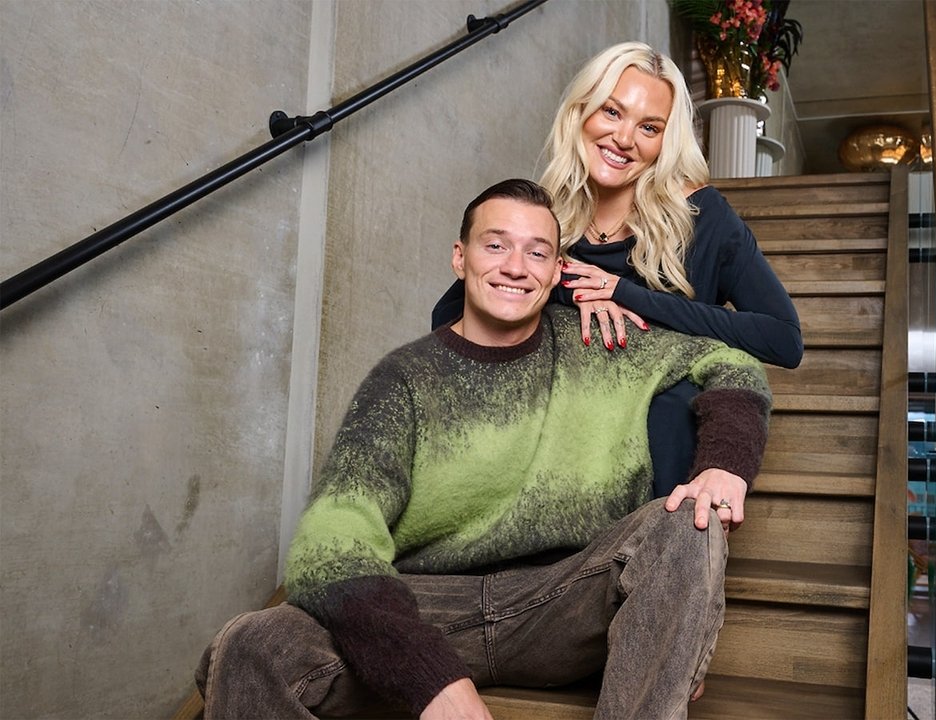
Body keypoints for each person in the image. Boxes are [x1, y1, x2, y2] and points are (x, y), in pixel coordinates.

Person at [195, 179, 772, 719]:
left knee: (687, 523)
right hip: (426, 609)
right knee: (251, 642)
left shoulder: (605, 344)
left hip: (563, 602)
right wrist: (431, 678)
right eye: (496, 245)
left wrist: (725, 465)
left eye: (537, 253)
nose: (515, 267)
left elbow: (731, 362)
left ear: (557, 271)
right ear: (460, 258)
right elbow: (330, 541)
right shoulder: (404, 381)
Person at [432, 42, 801, 500]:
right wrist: (566, 282)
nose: (624, 138)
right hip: (548, 460)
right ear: (581, 113)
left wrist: (626, 294)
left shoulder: (702, 218)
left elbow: (783, 340)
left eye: (649, 127)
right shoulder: (546, 216)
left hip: (657, 468)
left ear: (666, 141)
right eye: (612, 112)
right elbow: (449, 316)